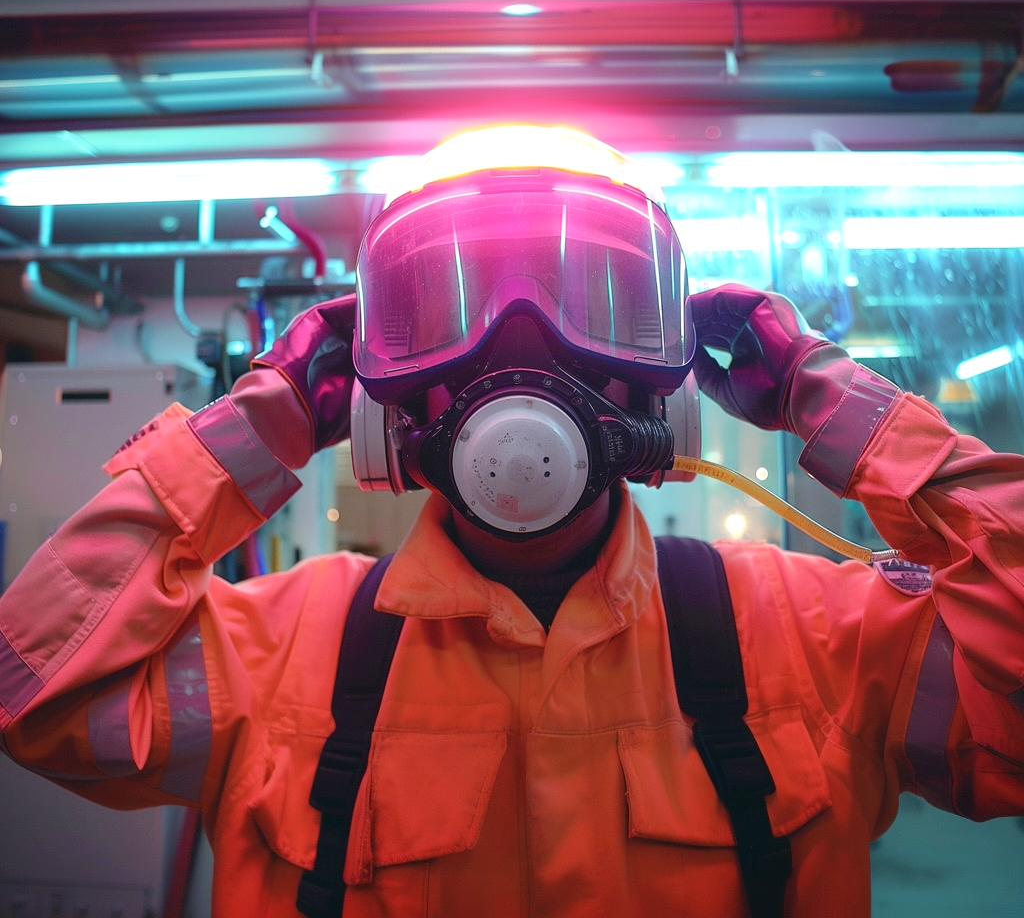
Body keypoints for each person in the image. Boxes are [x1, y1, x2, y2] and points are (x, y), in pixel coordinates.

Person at [0, 125, 1022, 918]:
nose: (519, 346)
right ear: (379, 385)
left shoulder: (811, 639)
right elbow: (35, 691)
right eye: (449, 310)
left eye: (595, 303)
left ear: (659, 382)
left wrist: (828, 398)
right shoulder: (278, 653)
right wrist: (251, 433)